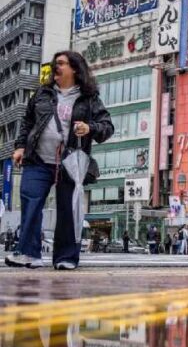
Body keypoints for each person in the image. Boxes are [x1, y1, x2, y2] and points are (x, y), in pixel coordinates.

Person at [6, 50, 113, 270]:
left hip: (70, 163)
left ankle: (66, 257)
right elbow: (27, 122)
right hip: (37, 159)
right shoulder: (42, 93)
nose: (57, 66)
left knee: (67, 209)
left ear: (74, 68)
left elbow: (107, 127)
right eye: (56, 63)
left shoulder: (88, 98)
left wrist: (89, 127)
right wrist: (19, 146)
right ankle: (29, 253)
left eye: (62, 63)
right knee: (31, 202)